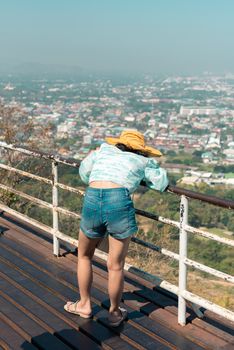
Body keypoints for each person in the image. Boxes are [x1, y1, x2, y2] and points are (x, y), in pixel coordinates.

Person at [64, 129, 169, 327]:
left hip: (93, 197)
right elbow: (162, 183)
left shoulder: (102, 151)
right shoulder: (142, 161)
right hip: (119, 201)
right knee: (115, 265)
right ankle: (114, 313)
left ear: (118, 143)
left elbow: (84, 173)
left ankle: (84, 305)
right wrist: (145, 173)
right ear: (140, 149)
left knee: (84, 256)